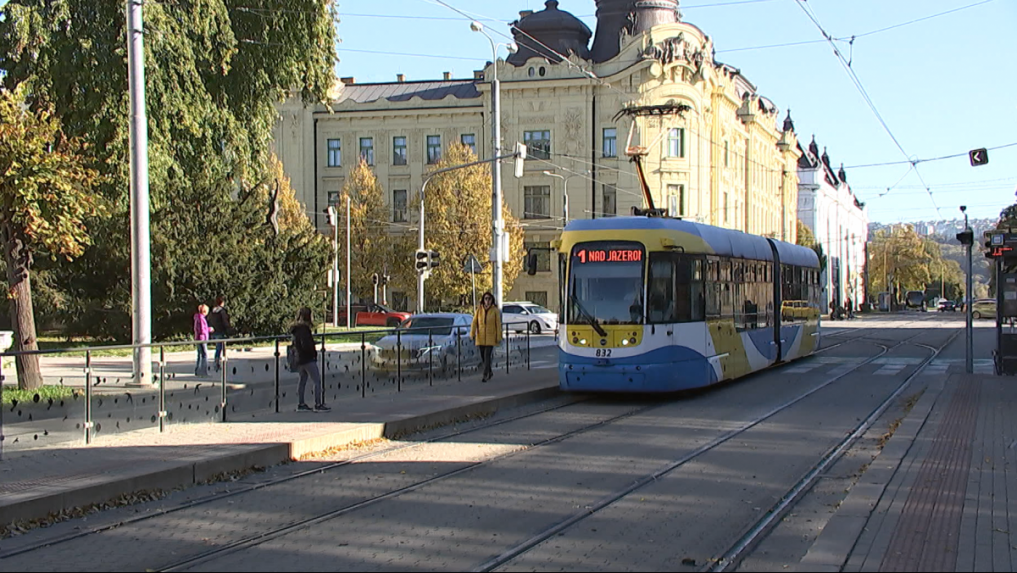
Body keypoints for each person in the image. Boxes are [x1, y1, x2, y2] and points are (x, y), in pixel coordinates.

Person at [291, 307, 329, 412]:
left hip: (299, 358)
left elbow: (298, 343)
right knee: (317, 381)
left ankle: (301, 403)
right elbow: (306, 344)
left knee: (302, 381)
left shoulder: (296, 329)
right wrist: (313, 352)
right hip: (307, 358)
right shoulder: (304, 329)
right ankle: (318, 404)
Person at [471, 292, 502, 382]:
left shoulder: (495, 310)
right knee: (483, 357)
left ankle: (485, 375)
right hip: (481, 337)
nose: (487, 301)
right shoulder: (479, 310)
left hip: (490, 336)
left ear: (492, 300)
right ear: (483, 300)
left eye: (489, 299)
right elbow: (474, 322)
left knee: (487, 355)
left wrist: (498, 337)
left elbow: (498, 325)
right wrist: (472, 333)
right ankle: (490, 371)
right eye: (486, 298)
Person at [207, 296, 232, 372]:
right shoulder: (222, 311)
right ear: (222, 303)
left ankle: (220, 361)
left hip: (214, 331)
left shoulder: (212, 311)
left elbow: (209, 320)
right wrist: (229, 328)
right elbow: (225, 321)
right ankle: (218, 362)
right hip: (221, 331)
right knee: (219, 347)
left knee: (219, 347)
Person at [193, 304, 210, 377]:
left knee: (199, 355)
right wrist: (209, 329)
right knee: (204, 355)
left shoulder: (197, 317)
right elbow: (202, 330)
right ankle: (204, 372)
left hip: (197, 338)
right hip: (202, 338)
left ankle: (197, 370)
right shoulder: (202, 318)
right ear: (205, 311)